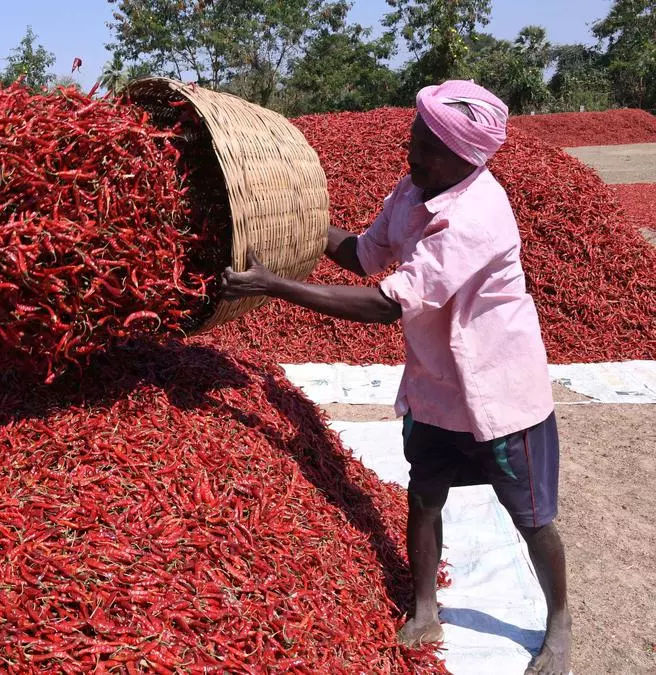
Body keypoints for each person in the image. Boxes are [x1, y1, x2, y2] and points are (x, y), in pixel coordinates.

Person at [220, 81, 570, 675]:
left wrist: (275, 286)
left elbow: (387, 303)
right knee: (425, 497)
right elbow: (364, 254)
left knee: (532, 518)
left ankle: (558, 622)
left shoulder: (475, 215)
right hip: (435, 385)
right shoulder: (414, 189)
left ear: (467, 157)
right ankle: (427, 605)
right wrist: (295, 224)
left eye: (428, 147)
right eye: (415, 137)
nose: (412, 154)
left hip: (499, 389)